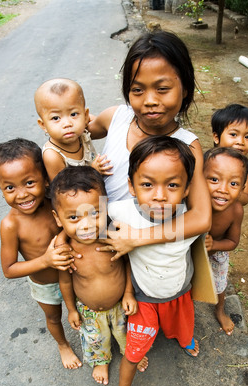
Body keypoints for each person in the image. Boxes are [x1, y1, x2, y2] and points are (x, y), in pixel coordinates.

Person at [106, 136, 200, 386]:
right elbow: (85, 222)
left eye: (172, 185)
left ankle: (183, 338)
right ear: (131, 186)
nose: (159, 196)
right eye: (147, 185)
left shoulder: (191, 220)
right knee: (133, 353)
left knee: (182, 328)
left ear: (187, 188)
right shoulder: (120, 213)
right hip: (143, 301)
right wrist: (127, 292)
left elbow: (206, 239)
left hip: (179, 293)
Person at [88, 31, 211, 257]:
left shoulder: (187, 146)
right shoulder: (114, 118)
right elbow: (77, 135)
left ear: (184, 89)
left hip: (147, 256)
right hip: (98, 248)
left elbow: (201, 217)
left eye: (162, 89)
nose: (150, 100)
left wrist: (137, 238)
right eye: (137, 90)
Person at [50, 166, 148, 385]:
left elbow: (128, 264)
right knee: (96, 340)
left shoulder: (112, 238)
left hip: (121, 304)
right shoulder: (66, 251)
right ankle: (101, 360)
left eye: (95, 213)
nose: (86, 225)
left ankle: (129, 353)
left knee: (127, 334)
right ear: (58, 219)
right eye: (74, 217)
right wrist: (72, 309)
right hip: (89, 311)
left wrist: (129, 294)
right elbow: (65, 281)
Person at [0, 138, 82, 369]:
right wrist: (45, 260)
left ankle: (94, 339)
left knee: (85, 310)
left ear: (45, 179)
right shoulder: (11, 225)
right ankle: (62, 344)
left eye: (29, 182)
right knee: (53, 317)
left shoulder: (55, 203)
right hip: (46, 284)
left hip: (75, 273)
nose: (21, 194)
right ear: (1, 190)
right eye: (10, 187)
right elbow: (9, 270)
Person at [203, 147, 248, 335]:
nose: (222, 189)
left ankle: (219, 309)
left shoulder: (236, 210)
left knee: (219, 285)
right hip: (190, 251)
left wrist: (214, 245)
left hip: (217, 252)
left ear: (242, 187)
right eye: (214, 179)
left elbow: (232, 241)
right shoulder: (194, 200)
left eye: (233, 183)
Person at [34, 78, 112, 182]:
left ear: (85, 116)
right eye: (56, 118)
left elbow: (104, 125)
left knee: (105, 197)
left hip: (98, 188)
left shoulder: (82, 128)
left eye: (73, 114)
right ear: (43, 125)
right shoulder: (52, 155)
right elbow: (63, 190)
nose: (67, 124)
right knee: (101, 198)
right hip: (78, 193)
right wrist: (93, 172)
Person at [211, 103, 248, 205]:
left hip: (223, 206)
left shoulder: (243, 166)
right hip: (201, 209)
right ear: (216, 137)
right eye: (233, 134)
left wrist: (231, 191)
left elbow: (245, 198)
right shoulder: (208, 161)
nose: (241, 142)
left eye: (247, 137)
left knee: (237, 210)